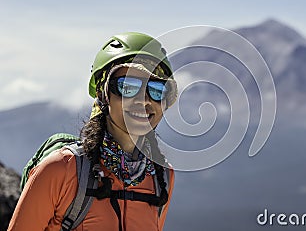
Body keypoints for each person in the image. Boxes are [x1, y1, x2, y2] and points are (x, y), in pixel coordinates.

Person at [8, 32, 178, 231]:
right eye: (128, 86)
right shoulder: (61, 169)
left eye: (157, 89)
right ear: (103, 93)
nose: (145, 100)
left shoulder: (162, 177)